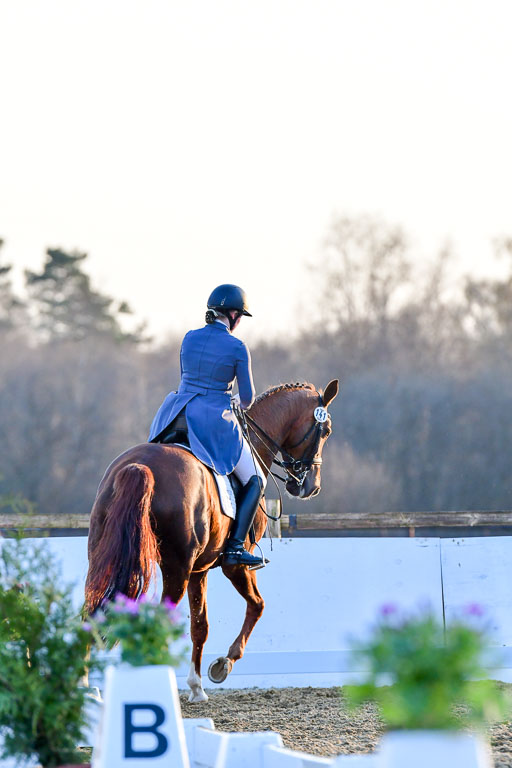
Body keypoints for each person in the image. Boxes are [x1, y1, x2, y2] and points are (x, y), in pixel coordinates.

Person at [148, 284, 267, 569]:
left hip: (175, 415)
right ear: (234, 315)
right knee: (257, 479)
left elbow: (188, 379)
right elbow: (248, 398)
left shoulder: (189, 338)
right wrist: (235, 401)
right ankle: (235, 547)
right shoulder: (237, 347)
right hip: (211, 421)